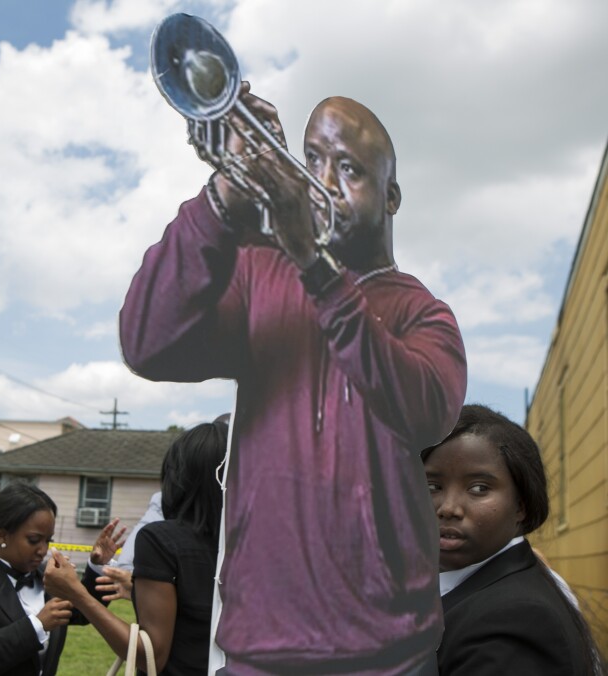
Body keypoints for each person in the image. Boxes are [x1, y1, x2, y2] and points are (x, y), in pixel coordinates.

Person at [119, 90, 467, 674]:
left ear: (393, 196)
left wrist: (313, 263)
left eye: (350, 168)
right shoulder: (258, 277)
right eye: (313, 160)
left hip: (389, 656)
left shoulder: (425, 314)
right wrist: (225, 193)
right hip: (260, 648)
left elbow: (424, 411)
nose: (323, 181)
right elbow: (147, 342)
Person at [421, 404, 604, 674]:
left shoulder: (514, 622)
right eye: (432, 486)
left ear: (521, 505)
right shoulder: (471, 587)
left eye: (479, 488)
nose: (448, 508)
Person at [45, 422, 228, 675]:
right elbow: (200, 613)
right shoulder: (251, 545)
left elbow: (151, 655)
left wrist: (77, 594)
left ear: (179, 476)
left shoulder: (161, 540)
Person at [0, 482, 125, 676]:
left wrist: (97, 567)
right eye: (34, 540)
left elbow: (83, 612)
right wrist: (37, 625)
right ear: (2, 536)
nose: (43, 550)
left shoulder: (49, 579)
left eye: (48, 540)